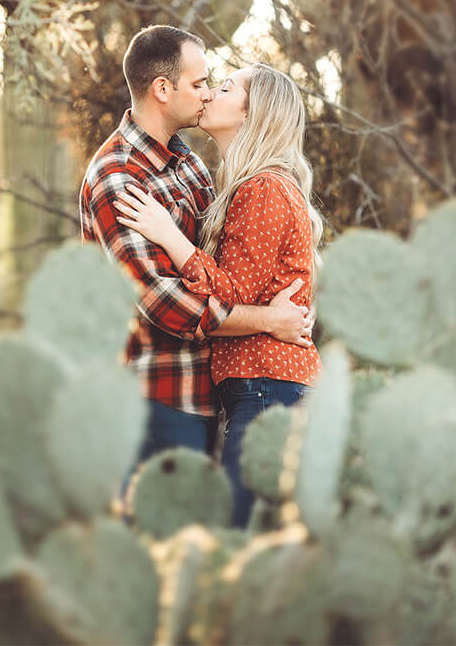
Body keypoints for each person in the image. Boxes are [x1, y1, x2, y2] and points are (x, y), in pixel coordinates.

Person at [78, 26, 312, 472]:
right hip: (155, 400)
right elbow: (165, 304)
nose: (207, 95)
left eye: (214, 85)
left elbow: (232, 271)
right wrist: (270, 320)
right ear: (163, 89)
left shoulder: (190, 165)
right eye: (200, 83)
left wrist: (294, 307)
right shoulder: (119, 176)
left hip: (215, 396)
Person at [117, 62, 321, 526]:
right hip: (265, 387)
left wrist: (170, 236)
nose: (209, 94)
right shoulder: (238, 185)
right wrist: (270, 319)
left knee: (241, 542)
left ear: (252, 114)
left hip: (270, 386)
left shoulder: (263, 188)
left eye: (225, 88)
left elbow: (230, 292)